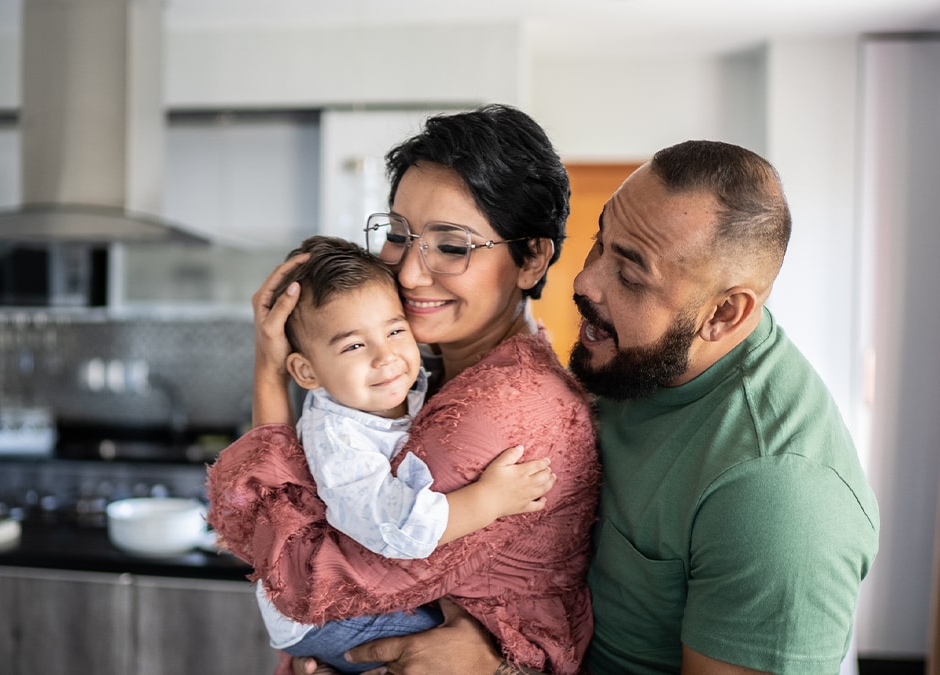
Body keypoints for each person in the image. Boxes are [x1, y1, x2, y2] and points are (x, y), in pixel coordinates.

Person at [341, 140, 881, 674]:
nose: (584, 280)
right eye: (601, 242)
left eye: (629, 273)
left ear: (724, 314)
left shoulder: (780, 498)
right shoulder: (627, 364)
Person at [206, 104, 601, 675]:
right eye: (397, 235)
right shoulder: (426, 370)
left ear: (532, 257)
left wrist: (268, 375)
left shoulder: (497, 410)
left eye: (452, 245)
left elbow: (307, 580)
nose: (409, 273)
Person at [251, 234, 558, 673]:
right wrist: (490, 499)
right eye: (354, 345)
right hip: (323, 620)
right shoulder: (338, 438)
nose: (386, 357)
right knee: (451, 636)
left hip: (321, 611)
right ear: (306, 370)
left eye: (396, 330)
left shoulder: (387, 388)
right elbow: (394, 527)